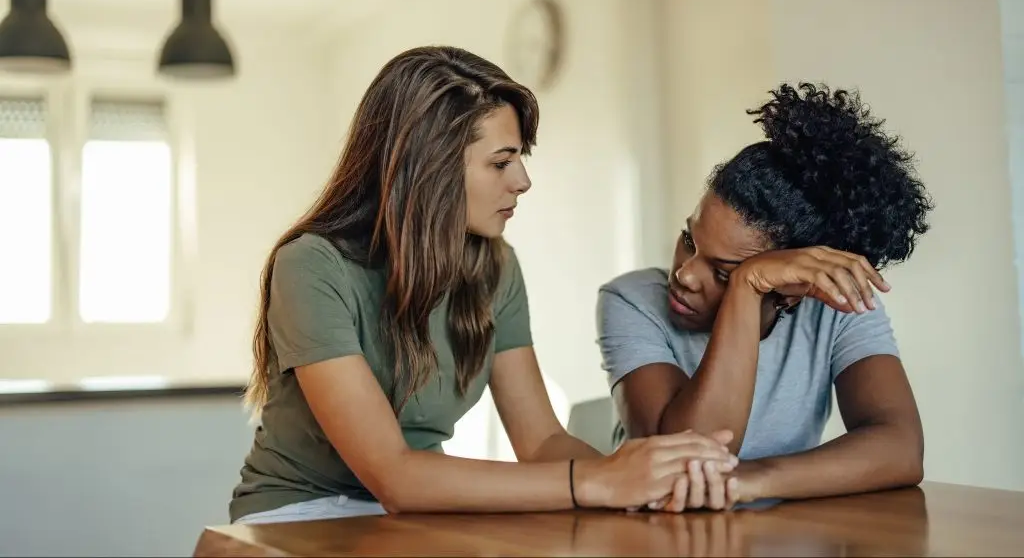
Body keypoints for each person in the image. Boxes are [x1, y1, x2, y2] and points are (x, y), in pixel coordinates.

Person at [228, 45, 737, 525]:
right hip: (297, 515)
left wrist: (644, 476)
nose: (522, 181)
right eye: (501, 162)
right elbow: (395, 475)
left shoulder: (495, 267)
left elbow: (540, 443)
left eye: (519, 159)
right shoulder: (312, 266)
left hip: (414, 516)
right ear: (430, 168)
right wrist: (599, 481)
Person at [596, 83, 935, 513]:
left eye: (722, 272)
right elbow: (681, 461)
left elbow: (900, 448)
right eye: (688, 239)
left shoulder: (835, 308)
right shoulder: (631, 301)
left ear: (794, 289)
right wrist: (746, 285)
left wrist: (746, 480)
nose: (684, 273)